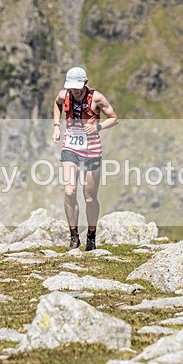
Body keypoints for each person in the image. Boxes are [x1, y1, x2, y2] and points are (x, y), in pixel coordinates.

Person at [52, 66, 119, 250]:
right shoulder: (63, 95)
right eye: (72, 87)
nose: (75, 90)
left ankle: (91, 236)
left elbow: (114, 118)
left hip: (92, 150)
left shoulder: (96, 98)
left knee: (89, 197)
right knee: (69, 191)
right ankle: (74, 237)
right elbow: (57, 104)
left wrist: (98, 127)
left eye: (78, 87)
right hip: (70, 147)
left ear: (86, 83)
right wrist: (57, 125)